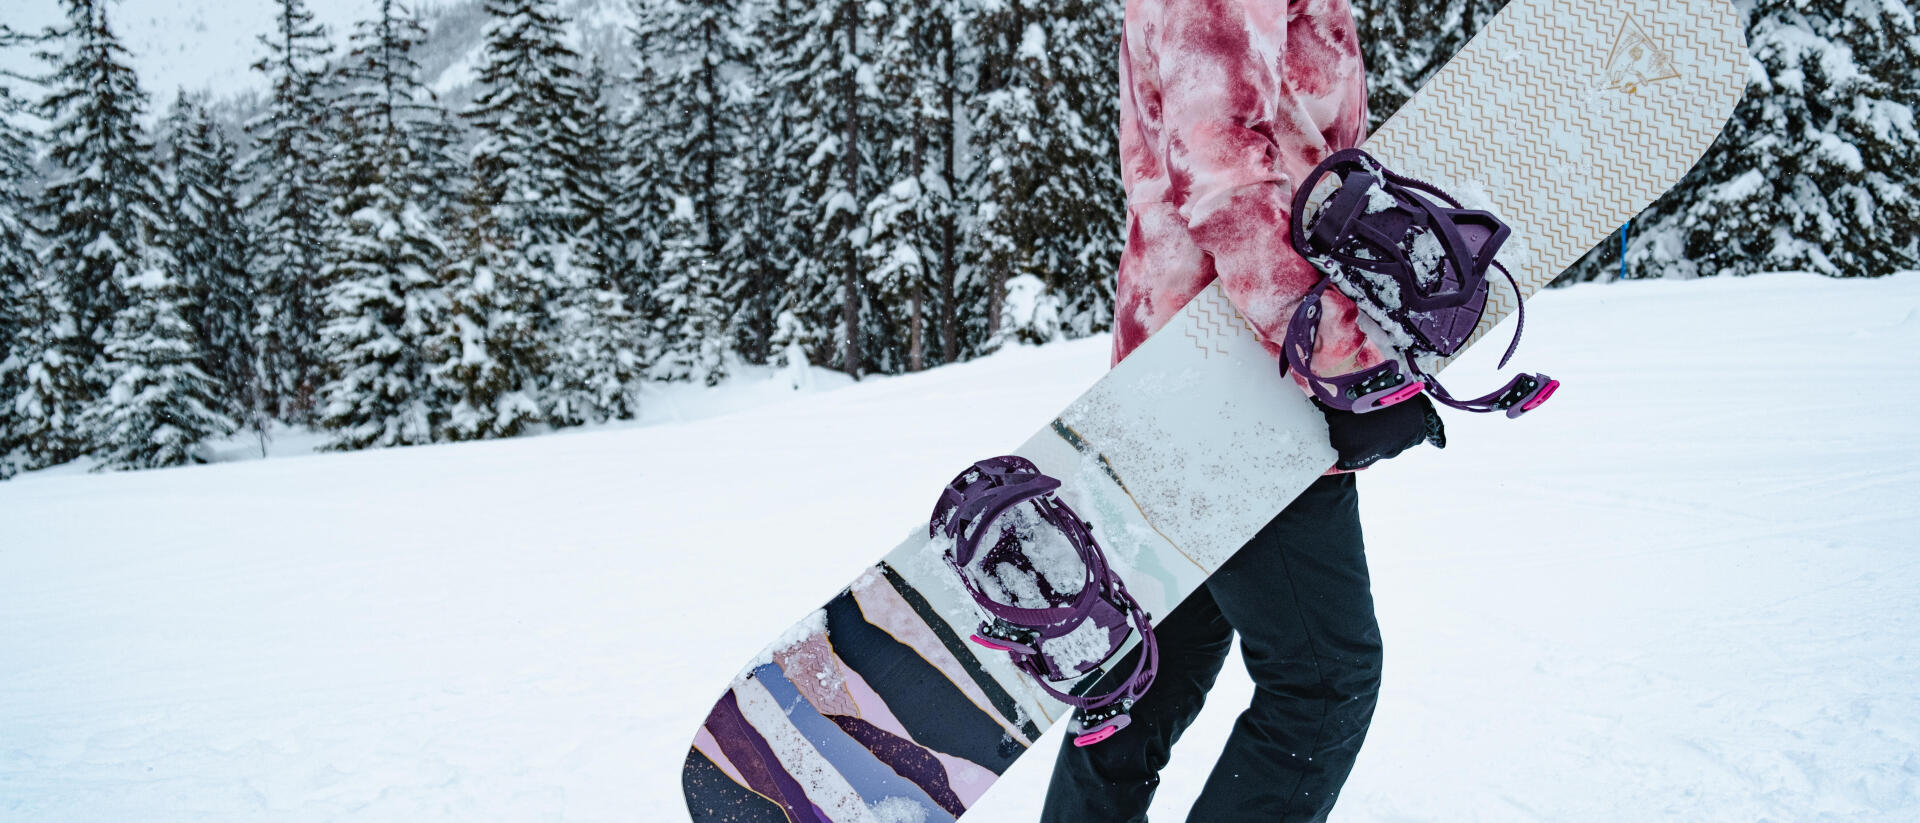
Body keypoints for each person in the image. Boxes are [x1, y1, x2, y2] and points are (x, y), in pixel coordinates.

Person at [1039, 1, 1444, 820]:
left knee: (1161, 666)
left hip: (1198, 359)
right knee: (1325, 680)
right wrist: (1345, 355)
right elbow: (1223, 173)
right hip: (1238, 374)